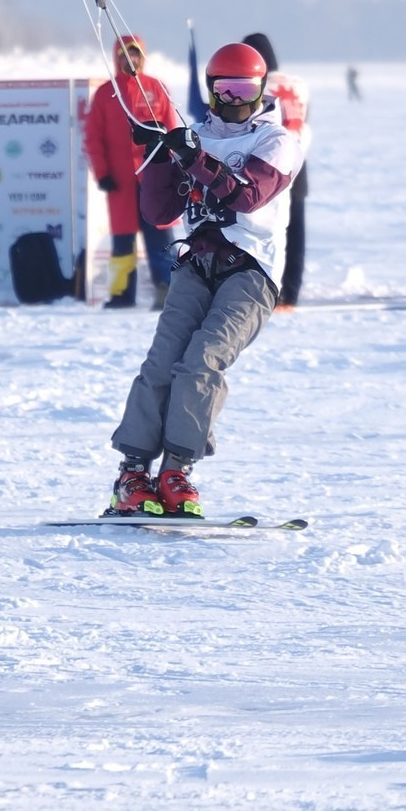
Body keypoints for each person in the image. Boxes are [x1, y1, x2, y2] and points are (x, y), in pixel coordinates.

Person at [104, 41, 307, 519]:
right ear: (211, 90)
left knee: (201, 362)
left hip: (251, 272)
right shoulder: (191, 135)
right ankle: (132, 476)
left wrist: (194, 158)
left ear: (261, 90)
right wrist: (158, 155)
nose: (235, 100)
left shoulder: (278, 141)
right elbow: (159, 212)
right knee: (161, 364)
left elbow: (247, 195)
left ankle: (176, 470)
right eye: (226, 89)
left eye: (245, 90)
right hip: (197, 263)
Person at [82, 34, 182, 310]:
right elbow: (93, 138)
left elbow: (172, 130)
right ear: (117, 58)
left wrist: (174, 168)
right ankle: (121, 293)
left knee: (160, 237)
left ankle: (168, 290)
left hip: (154, 176)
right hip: (120, 181)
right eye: (125, 55)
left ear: (142, 56)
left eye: (135, 54)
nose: (131, 59)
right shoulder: (106, 94)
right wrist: (103, 173)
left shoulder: (156, 88)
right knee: (123, 240)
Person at [242, 32, 310, 308]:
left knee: (272, 231)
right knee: (296, 231)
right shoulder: (298, 85)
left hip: (270, 166)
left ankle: (270, 290)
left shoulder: (258, 85)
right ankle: (291, 293)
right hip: (299, 162)